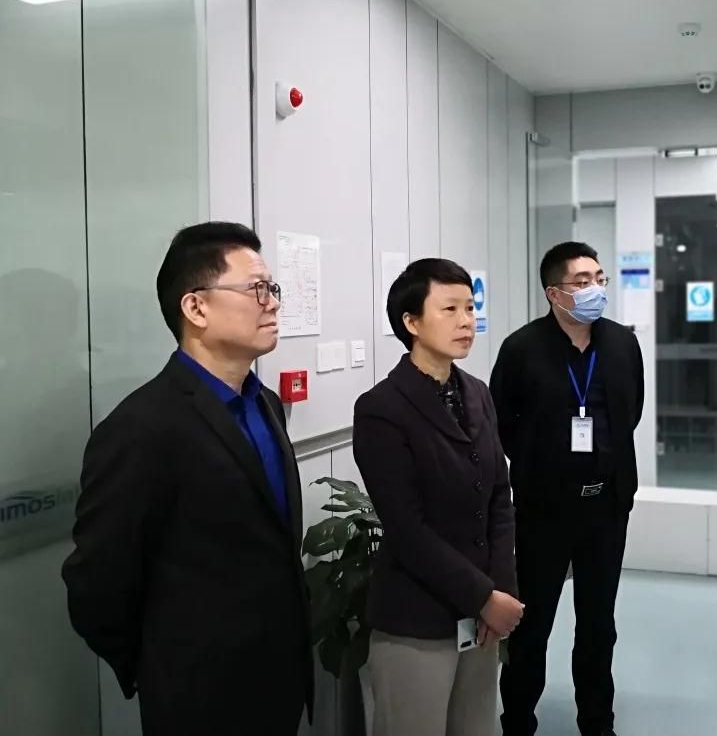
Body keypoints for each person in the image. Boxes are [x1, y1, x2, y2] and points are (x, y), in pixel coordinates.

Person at [61, 222, 312, 735]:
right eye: (256, 289)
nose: (272, 303)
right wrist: (158, 666)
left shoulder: (265, 404)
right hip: (197, 696)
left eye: (272, 288)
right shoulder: (141, 427)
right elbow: (97, 583)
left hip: (279, 678)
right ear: (196, 308)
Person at [353, 258, 522, 736]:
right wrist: (483, 595)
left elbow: (499, 497)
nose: (466, 321)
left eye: (470, 308)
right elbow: (406, 529)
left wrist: (501, 589)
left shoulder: (478, 394)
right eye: (449, 309)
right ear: (411, 322)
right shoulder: (382, 408)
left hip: (481, 616)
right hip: (416, 617)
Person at [494, 242, 644, 736]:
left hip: (607, 506)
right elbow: (503, 422)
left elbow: (630, 413)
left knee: (599, 624)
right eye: (582, 281)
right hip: (544, 509)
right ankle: (518, 721)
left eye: (599, 278)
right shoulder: (521, 349)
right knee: (532, 623)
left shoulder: (622, 344)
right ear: (554, 292)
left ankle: (597, 723)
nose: (594, 288)